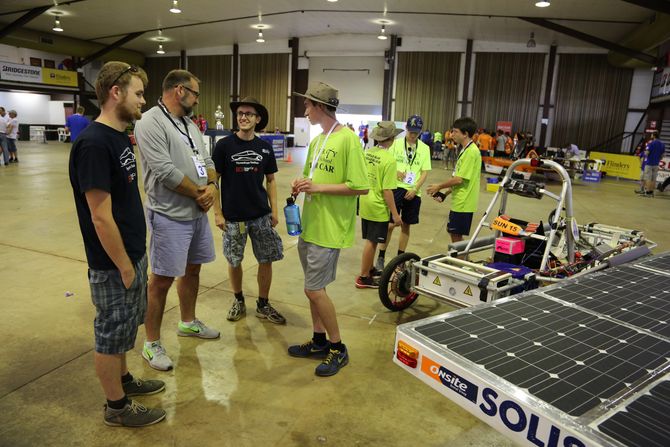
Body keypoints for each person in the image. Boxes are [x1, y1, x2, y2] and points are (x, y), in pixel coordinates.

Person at [68, 61, 166, 427]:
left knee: (126, 326)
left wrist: (135, 257)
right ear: (116, 93)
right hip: (113, 263)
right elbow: (100, 216)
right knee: (111, 333)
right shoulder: (93, 144)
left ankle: (125, 382)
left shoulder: (120, 136)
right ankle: (117, 407)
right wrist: (124, 264)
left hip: (132, 254)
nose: (143, 100)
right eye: (138, 93)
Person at [134, 69, 219, 372]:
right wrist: (200, 192)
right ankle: (151, 342)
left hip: (197, 214)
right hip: (169, 215)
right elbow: (164, 171)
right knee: (161, 280)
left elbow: (208, 161)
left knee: (192, 270)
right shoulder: (149, 122)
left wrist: (212, 187)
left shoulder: (190, 124)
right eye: (195, 93)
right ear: (180, 91)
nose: (197, 99)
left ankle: (188, 322)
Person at [289, 81, 369, 377]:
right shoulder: (317, 140)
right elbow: (313, 176)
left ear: (320, 106)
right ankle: (319, 340)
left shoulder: (348, 139)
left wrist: (318, 187)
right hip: (310, 225)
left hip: (330, 228)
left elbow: (360, 186)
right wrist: (302, 183)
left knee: (314, 289)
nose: (305, 109)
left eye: (308, 104)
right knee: (314, 290)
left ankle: (338, 347)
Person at [212, 97, 286, 324]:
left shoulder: (264, 147)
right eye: (240, 113)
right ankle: (238, 300)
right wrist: (217, 212)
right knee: (234, 260)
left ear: (258, 119)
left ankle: (263, 304)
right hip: (234, 218)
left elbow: (271, 180)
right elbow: (214, 181)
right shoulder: (224, 146)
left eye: (249, 114)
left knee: (266, 259)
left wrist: (274, 211)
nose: (243, 117)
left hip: (261, 216)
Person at [374, 115, 431, 272]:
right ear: (406, 128)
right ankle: (381, 256)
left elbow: (425, 172)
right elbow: (386, 162)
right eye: (411, 131)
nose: (413, 135)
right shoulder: (396, 144)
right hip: (396, 187)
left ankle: (400, 259)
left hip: (414, 192)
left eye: (416, 132)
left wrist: (415, 189)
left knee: (406, 225)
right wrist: (395, 172)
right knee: (391, 224)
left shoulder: (424, 148)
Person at [356, 121, 402, 288]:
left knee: (370, 239)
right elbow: (387, 191)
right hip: (377, 206)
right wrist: (396, 215)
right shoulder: (389, 160)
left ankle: (369, 268)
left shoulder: (367, 152)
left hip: (365, 201)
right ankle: (363, 277)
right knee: (372, 241)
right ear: (391, 138)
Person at [426, 117, 482, 243]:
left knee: (456, 236)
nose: (452, 135)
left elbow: (458, 179)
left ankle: (460, 261)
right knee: (454, 234)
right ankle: (460, 260)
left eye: (455, 131)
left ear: (465, 134)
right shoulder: (466, 150)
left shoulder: (471, 152)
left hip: (464, 203)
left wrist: (438, 186)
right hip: (460, 201)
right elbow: (460, 177)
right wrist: (445, 193)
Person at [639, 131, 665, 197]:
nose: (651, 136)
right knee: (653, 179)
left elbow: (646, 153)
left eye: (652, 135)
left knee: (648, 178)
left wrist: (645, 153)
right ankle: (651, 192)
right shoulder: (662, 144)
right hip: (656, 164)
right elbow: (662, 156)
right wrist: (657, 159)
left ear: (653, 135)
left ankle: (647, 192)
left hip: (649, 163)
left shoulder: (651, 143)